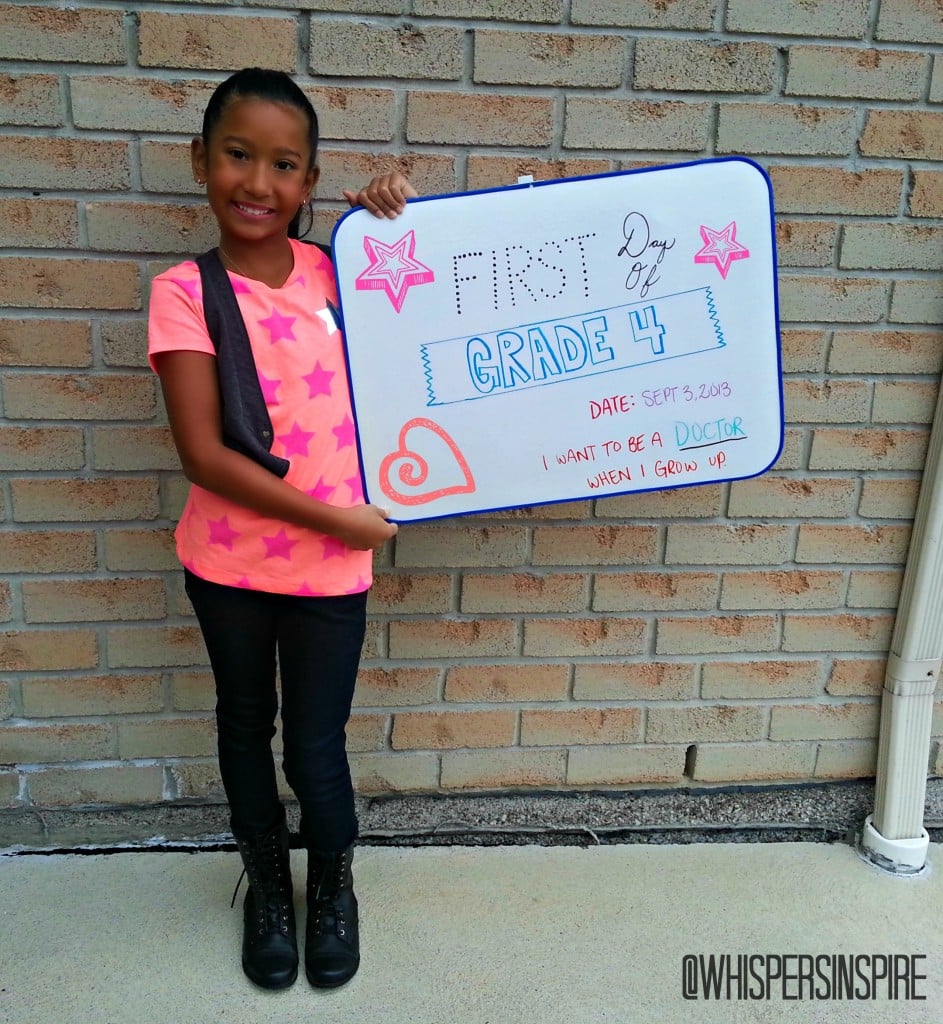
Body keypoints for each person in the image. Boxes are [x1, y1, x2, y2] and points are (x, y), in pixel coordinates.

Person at [147, 67, 417, 991]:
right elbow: (206, 456)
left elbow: (433, 321)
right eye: (238, 155)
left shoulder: (344, 275)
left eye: (285, 164)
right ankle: (267, 885)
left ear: (308, 183)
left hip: (330, 578)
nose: (258, 183)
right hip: (228, 565)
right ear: (201, 162)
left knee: (315, 744)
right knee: (243, 726)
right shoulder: (184, 293)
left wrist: (394, 225)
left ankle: (330, 883)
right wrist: (340, 518)